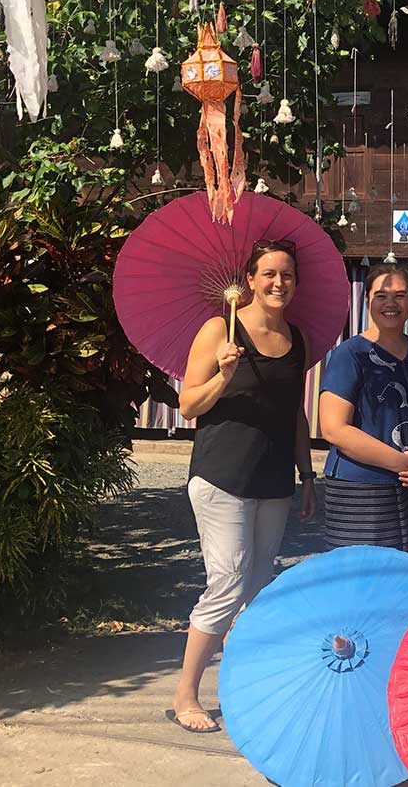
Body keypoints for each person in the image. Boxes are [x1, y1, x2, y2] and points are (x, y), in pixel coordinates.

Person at [169, 238, 318, 735]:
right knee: (228, 580)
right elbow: (189, 405)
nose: (279, 283)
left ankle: (246, 688)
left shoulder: (297, 339)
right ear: (250, 280)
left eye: (288, 275)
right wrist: (223, 376)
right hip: (222, 477)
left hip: (273, 479)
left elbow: (294, 414)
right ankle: (186, 693)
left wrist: (308, 475)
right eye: (269, 273)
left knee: (257, 587)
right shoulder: (219, 329)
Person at [318, 263, 408, 575]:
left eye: (400, 295)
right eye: (381, 295)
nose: (390, 303)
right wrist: (406, 464)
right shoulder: (350, 354)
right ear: (366, 301)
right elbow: (334, 428)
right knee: (365, 584)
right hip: (363, 492)